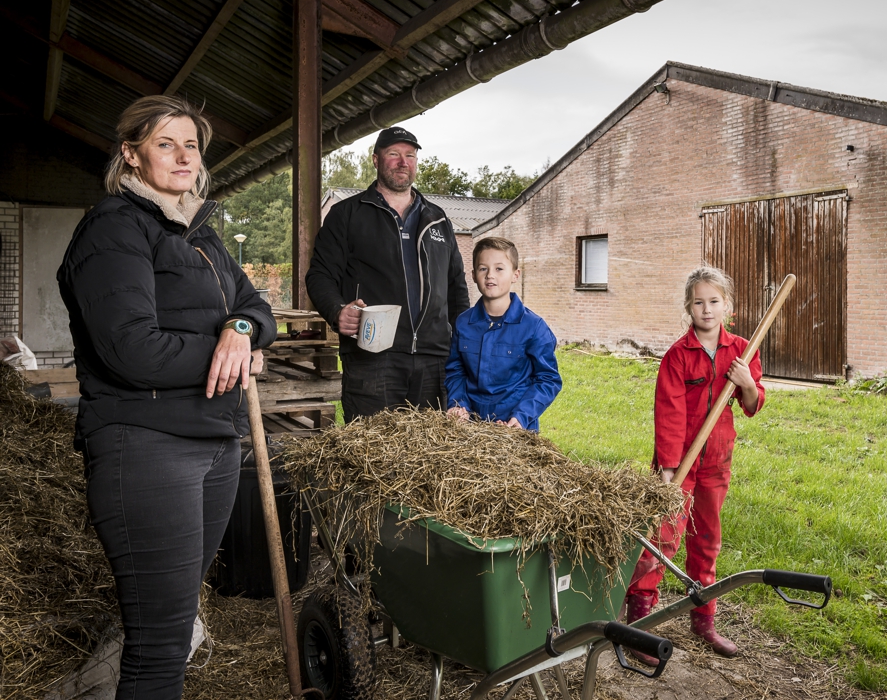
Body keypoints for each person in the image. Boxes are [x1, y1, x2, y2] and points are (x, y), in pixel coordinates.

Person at [57, 95, 276, 700]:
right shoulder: (114, 227)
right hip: (147, 447)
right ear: (131, 154)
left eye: (192, 145)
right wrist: (230, 353)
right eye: (165, 144)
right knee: (158, 648)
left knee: (173, 629)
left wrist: (241, 330)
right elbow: (132, 350)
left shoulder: (199, 233)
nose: (183, 156)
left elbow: (256, 308)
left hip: (214, 446)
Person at [624, 265, 765, 661]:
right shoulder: (678, 355)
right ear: (688, 307)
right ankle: (638, 620)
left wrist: (747, 383)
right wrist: (669, 468)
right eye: (699, 302)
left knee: (707, 538)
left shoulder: (742, 351)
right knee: (662, 538)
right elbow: (668, 413)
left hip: (717, 460)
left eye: (714, 301)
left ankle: (704, 620)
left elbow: (752, 405)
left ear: (727, 306)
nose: (707, 309)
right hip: (678, 461)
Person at [306, 126, 469, 421]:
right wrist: (337, 310)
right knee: (371, 448)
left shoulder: (437, 219)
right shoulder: (347, 215)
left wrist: (463, 343)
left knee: (430, 448)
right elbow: (320, 275)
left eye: (410, 155)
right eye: (394, 154)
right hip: (373, 358)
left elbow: (456, 286)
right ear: (376, 159)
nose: (403, 162)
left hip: (433, 361)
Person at [445, 237, 562, 430]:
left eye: (499, 269)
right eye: (483, 268)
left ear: (515, 275)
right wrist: (458, 404)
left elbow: (548, 379)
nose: (490, 275)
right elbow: (456, 371)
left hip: (514, 428)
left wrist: (522, 416)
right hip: (470, 427)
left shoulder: (534, 327)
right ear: (473, 275)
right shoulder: (463, 323)